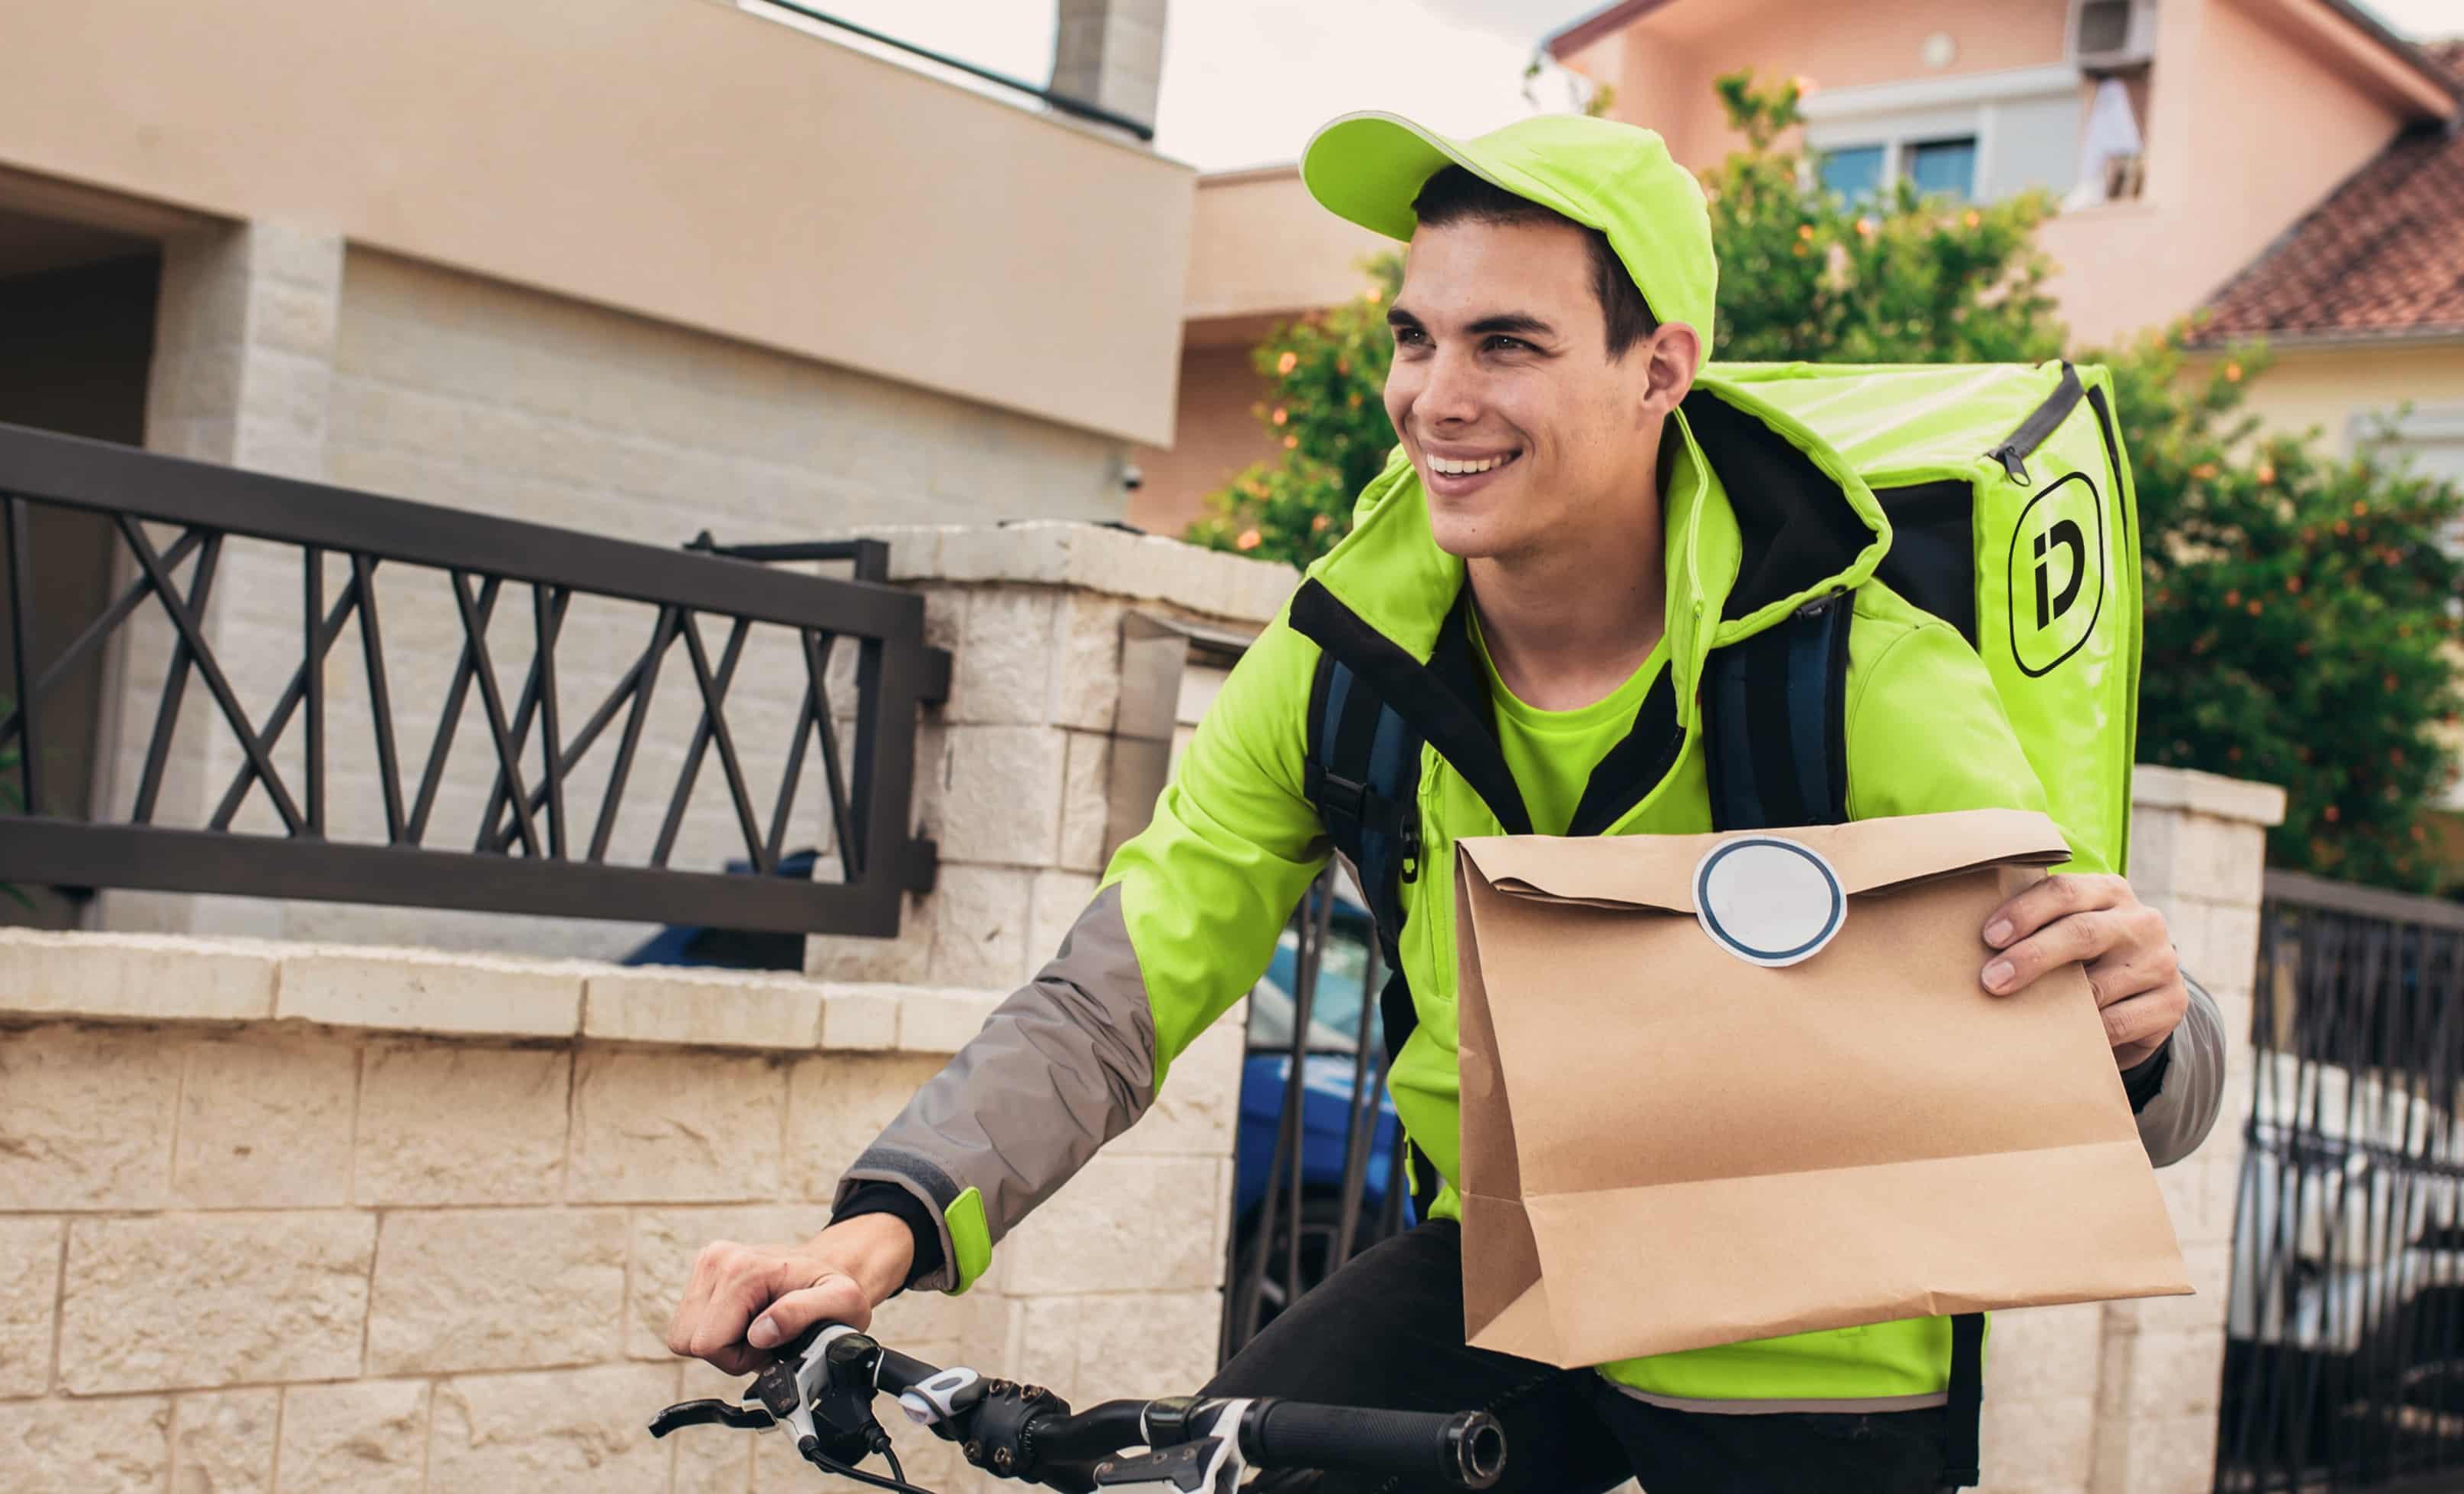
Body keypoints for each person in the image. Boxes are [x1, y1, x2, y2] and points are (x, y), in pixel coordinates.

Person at [666, 111, 2226, 1492]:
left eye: (1508, 345)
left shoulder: (1858, 678)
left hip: (1800, 1335)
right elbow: (1112, 999)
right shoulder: (1344, 656)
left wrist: (2147, 1033)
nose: (1434, 396)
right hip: (1508, 1271)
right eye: (1417, 338)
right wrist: (870, 1233)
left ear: (1659, 372)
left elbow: (2111, 1058)